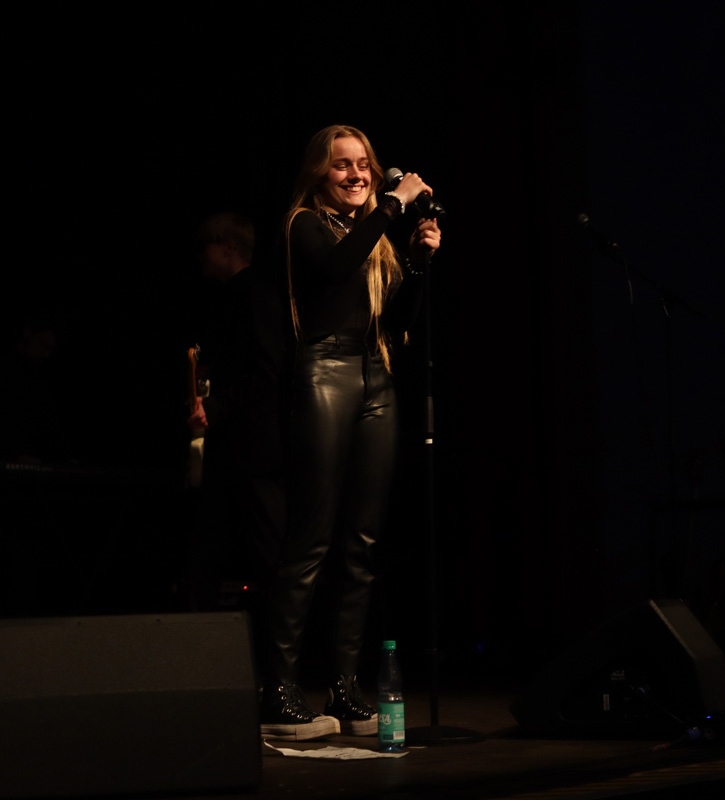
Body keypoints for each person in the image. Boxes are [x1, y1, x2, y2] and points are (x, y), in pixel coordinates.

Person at [260, 125, 441, 739]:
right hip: (325, 373)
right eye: (343, 165)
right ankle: (278, 690)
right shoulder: (305, 225)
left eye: (364, 164)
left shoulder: (376, 238)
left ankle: (344, 688)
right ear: (320, 173)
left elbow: (398, 322)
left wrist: (418, 262)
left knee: (361, 545)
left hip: (376, 376)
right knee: (311, 538)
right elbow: (337, 270)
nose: (357, 174)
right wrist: (393, 204)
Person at [185, 213, 288, 619]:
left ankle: (281, 646)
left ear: (228, 247)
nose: (200, 256)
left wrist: (214, 406)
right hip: (234, 443)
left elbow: (268, 372)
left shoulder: (254, 295)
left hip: (255, 447)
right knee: (209, 547)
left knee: (266, 549)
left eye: (206, 247)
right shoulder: (232, 296)